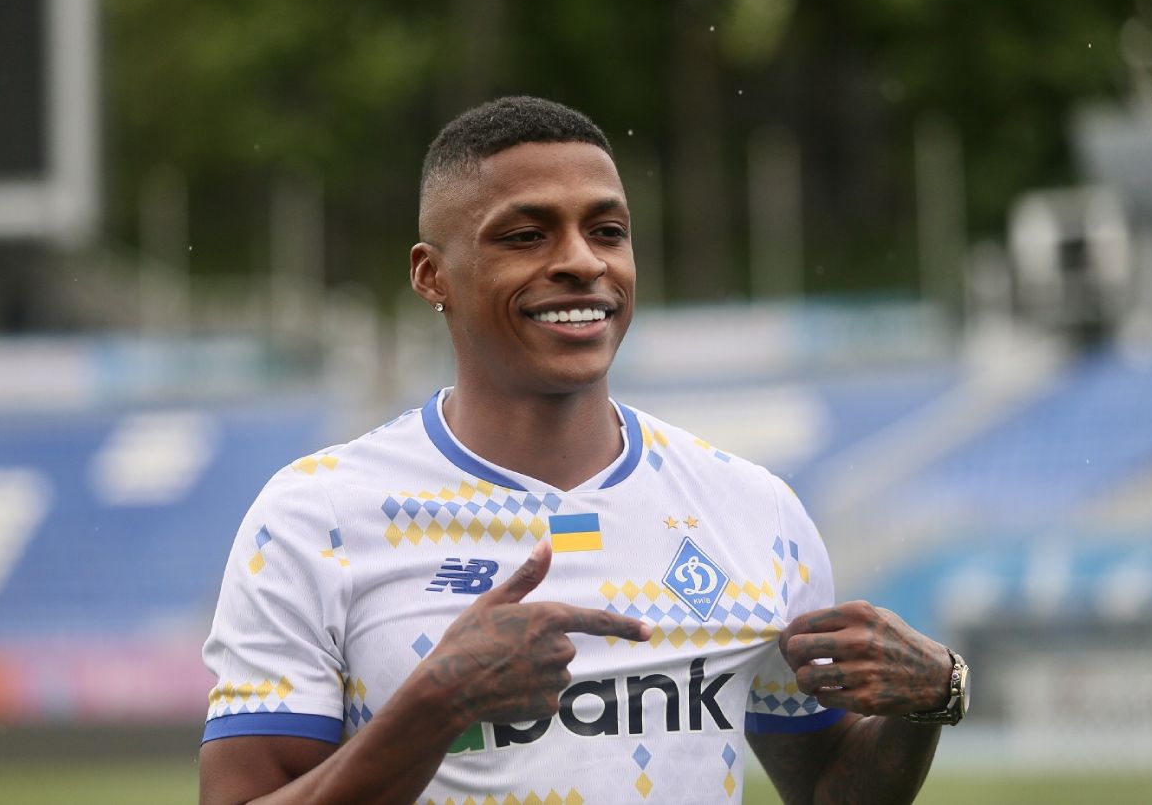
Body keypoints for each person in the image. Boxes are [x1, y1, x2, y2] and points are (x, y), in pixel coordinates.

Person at [198, 96, 968, 805]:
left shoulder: (753, 510)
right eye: (525, 235)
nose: (582, 261)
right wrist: (437, 704)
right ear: (432, 275)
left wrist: (935, 698)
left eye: (607, 231)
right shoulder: (318, 516)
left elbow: (830, 788)